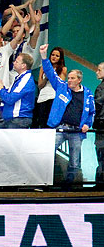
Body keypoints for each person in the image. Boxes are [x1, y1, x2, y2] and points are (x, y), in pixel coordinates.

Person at [39, 43, 95, 186]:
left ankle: (69, 187)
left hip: (76, 131)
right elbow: (50, 73)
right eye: (68, 77)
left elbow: (92, 113)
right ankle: (47, 183)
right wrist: (44, 56)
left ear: (79, 80)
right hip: (61, 128)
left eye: (72, 78)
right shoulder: (62, 87)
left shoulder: (88, 95)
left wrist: (88, 124)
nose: (68, 80)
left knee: (75, 161)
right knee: (47, 153)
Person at [0, 52, 35, 128]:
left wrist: (0, 88)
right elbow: (9, 96)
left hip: (18, 119)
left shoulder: (25, 80)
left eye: (17, 62)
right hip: (13, 119)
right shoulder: (19, 78)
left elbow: (10, 99)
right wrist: (2, 87)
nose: (14, 63)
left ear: (23, 66)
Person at [36, 46, 67, 128]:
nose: (54, 57)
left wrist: (52, 75)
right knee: (42, 123)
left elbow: (60, 85)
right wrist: (46, 77)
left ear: (60, 58)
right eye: (53, 55)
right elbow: (40, 85)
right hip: (42, 97)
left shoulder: (63, 69)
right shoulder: (43, 67)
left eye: (57, 56)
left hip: (53, 97)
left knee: (50, 124)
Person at [94, 63, 104, 184]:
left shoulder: (101, 88)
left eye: (99, 70)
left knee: (101, 155)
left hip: (102, 125)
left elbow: (97, 104)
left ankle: (100, 183)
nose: (96, 72)